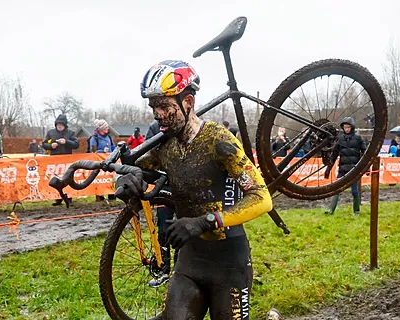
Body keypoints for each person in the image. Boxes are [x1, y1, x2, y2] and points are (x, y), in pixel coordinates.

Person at [116, 60, 272, 319]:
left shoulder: (218, 140)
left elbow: (262, 199)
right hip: (190, 262)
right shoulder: (165, 145)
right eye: (153, 106)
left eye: (164, 105)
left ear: (188, 101)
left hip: (229, 264)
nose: (157, 114)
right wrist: (124, 182)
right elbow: (136, 172)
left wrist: (204, 221)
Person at [143, 119, 175, 287]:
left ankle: (182, 271)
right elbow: (147, 153)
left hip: (186, 184)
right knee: (164, 229)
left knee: (186, 228)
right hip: (164, 184)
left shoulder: (184, 122)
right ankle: (163, 270)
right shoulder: (154, 127)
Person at [323, 117, 366, 216]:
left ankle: (356, 211)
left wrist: (366, 168)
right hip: (342, 169)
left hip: (354, 170)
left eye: (348, 127)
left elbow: (365, 153)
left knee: (354, 191)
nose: (347, 129)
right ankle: (331, 210)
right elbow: (334, 155)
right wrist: (328, 169)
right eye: (345, 127)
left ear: (352, 127)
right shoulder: (340, 139)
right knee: (336, 190)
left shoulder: (358, 138)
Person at [42, 114, 79, 205]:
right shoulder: (51, 133)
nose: (59, 126)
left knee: (67, 179)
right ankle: (57, 198)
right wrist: (51, 146)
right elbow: (44, 144)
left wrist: (66, 142)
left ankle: (69, 197)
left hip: (67, 160)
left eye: (61, 124)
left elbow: (76, 144)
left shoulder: (71, 133)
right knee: (56, 179)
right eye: (58, 124)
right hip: (55, 161)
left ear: (64, 125)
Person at [89, 119, 116, 202]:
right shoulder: (94, 138)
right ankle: (100, 196)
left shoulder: (109, 137)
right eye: (106, 127)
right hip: (100, 163)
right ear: (101, 129)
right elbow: (93, 151)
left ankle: (112, 195)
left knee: (111, 178)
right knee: (101, 179)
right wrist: (102, 151)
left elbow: (113, 147)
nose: (107, 129)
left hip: (110, 162)